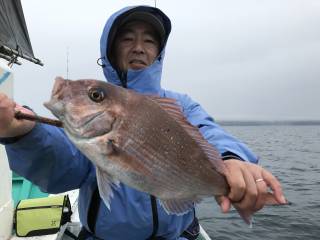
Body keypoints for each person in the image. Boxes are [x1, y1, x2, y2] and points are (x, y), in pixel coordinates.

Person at [0, 5, 286, 240]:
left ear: (158, 52)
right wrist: (23, 134)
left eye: (149, 40)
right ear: (111, 49)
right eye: (127, 38)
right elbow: (63, 169)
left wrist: (232, 160)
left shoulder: (181, 104)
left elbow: (209, 133)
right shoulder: (87, 136)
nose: (139, 47)